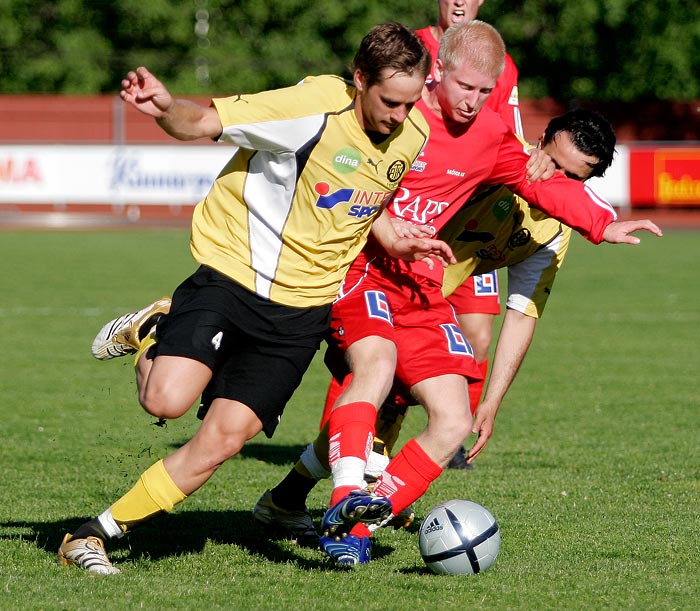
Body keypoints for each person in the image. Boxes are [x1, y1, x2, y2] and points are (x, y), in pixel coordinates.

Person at [252, 22, 662, 566]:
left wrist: (598, 224)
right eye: (553, 161)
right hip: (366, 268)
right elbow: (351, 174)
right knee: (366, 395)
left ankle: (344, 519)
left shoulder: (525, 192)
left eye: (484, 92)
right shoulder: (407, 119)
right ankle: (341, 506)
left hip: (427, 289)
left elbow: (523, 312)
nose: (472, 102)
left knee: (446, 419)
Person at [56, 23, 457, 575]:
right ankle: (154, 331)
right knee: (166, 402)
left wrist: (396, 240)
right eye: (390, 101)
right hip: (233, 279)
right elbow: (201, 121)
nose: (399, 115)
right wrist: (166, 104)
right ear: (359, 80)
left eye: (411, 103)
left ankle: (92, 534)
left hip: (302, 315)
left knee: (222, 441)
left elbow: (367, 203)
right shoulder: (311, 107)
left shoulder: (411, 133)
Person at [418, 0, 523, 469]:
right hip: (413, 218)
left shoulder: (503, 63)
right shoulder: (408, 47)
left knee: (477, 336)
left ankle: (452, 436)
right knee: (375, 344)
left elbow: (507, 139)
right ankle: (355, 441)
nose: (460, 0)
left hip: (471, 219)